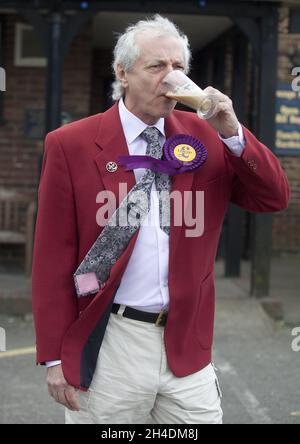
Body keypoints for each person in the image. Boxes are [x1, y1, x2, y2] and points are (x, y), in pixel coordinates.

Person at [32, 15, 290, 424]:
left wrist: (233, 133)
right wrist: (52, 356)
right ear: (123, 73)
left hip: (186, 344)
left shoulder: (207, 135)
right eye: (156, 67)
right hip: (111, 339)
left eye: (179, 68)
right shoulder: (70, 144)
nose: (170, 78)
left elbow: (273, 197)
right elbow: (51, 257)